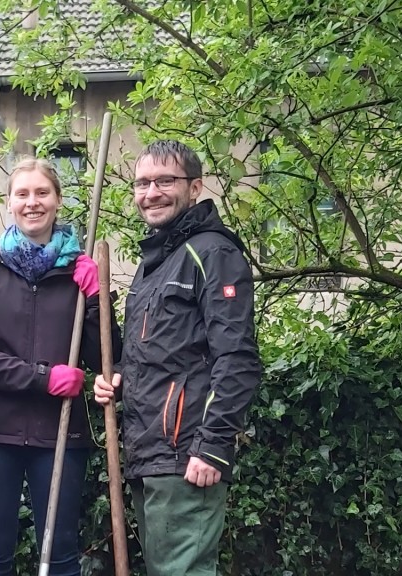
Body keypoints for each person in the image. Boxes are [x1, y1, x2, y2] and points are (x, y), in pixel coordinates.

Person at [93, 139, 261, 576]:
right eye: (143, 183)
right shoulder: (154, 265)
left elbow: (237, 358)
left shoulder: (213, 253)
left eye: (165, 181)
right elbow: (160, 355)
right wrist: (117, 375)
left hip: (187, 454)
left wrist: (213, 446)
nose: (152, 192)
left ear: (195, 187)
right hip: (150, 453)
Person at [0, 157, 122, 576]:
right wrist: (43, 378)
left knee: (62, 553)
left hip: (61, 434)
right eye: (23, 194)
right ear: (9, 203)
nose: (33, 202)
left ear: (58, 200)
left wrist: (96, 300)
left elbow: (102, 357)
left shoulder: (79, 271)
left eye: (42, 193)